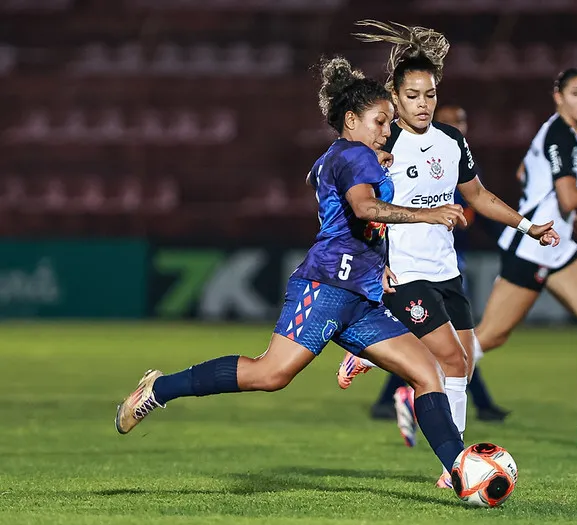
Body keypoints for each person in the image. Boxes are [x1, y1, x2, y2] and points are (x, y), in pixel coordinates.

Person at [114, 57, 473, 482]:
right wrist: (427, 214)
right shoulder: (354, 154)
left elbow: (339, 201)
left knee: (427, 373)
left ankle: (461, 470)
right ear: (351, 120)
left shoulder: (346, 156)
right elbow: (364, 209)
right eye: (379, 121)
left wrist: (378, 257)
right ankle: (159, 389)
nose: (386, 130)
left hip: (361, 297)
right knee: (270, 374)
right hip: (325, 287)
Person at [335, 20, 560, 487]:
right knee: (452, 361)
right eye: (412, 95)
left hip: (445, 270)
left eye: (430, 94)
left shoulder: (451, 141)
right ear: (395, 98)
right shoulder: (381, 145)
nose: (423, 103)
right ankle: (456, 464)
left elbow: (477, 196)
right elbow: (359, 208)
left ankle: (376, 359)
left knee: (463, 364)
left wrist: (528, 226)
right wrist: (374, 265)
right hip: (403, 272)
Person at [470, 68, 577, 445]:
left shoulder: (560, 133)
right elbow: (567, 197)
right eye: (576, 92)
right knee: (491, 335)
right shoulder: (562, 136)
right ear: (558, 96)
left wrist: (564, 216)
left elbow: (525, 172)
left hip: (556, 245)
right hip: (533, 249)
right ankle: (422, 387)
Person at [368, 104, 511, 423]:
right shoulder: (400, 154)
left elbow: (479, 204)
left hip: (448, 263)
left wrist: (509, 236)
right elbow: (376, 208)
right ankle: (385, 377)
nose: (458, 125)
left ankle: (398, 393)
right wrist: (379, 258)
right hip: (412, 264)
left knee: (447, 345)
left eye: (461, 120)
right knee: (444, 344)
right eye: (451, 121)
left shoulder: (457, 156)